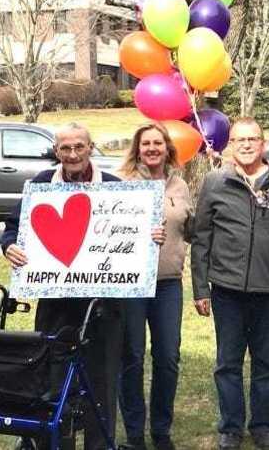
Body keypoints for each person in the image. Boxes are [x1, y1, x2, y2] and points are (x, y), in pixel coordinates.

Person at [1, 122, 165, 450]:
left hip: (103, 305)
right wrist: (9, 246)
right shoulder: (41, 185)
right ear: (56, 151)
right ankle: (55, 443)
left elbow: (136, 234)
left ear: (90, 148)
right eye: (65, 148)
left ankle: (98, 445)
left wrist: (150, 238)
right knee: (53, 378)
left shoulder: (116, 187)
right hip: (56, 304)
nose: (73, 155)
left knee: (102, 382)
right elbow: (12, 228)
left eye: (79, 147)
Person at [191, 117, 269, 450]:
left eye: (253, 138)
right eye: (239, 139)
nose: (246, 144)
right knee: (228, 363)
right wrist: (200, 288)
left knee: (266, 364)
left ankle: (263, 424)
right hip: (227, 290)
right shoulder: (215, 182)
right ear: (230, 144)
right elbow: (201, 238)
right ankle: (231, 427)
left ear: (264, 142)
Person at [116, 123, 193, 450]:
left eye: (157, 143)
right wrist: (138, 235)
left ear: (167, 148)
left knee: (168, 358)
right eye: (145, 143)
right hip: (132, 285)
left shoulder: (180, 186)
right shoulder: (121, 184)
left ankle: (161, 430)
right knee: (131, 357)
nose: (151, 148)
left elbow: (191, 230)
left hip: (168, 285)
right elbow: (108, 231)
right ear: (137, 148)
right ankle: (135, 433)